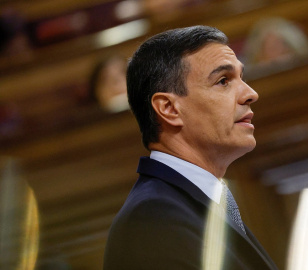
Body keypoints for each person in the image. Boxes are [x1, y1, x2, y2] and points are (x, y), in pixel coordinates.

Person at [103, 25, 278, 270]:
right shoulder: (153, 221)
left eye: (242, 77)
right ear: (169, 109)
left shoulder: (185, 203)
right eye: (223, 81)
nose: (250, 94)